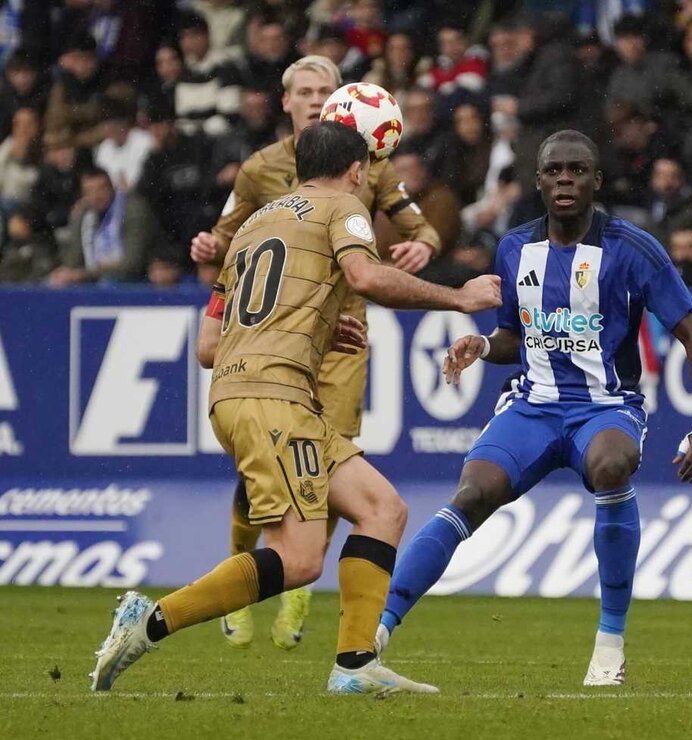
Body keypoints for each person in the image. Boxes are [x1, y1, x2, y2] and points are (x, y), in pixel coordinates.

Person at [89, 121, 501, 695]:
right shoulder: (344, 206)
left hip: (256, 393)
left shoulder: (255, 226)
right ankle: (150, 622)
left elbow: (208, 347)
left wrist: (317, 330)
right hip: (272, 397)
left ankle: (354, 668)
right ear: (357, 169)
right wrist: (459, 297)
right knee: (301, 559)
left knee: (382, 508)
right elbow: (366, 275)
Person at [373, 130, 692, 687]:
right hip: (532, 406)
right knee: (471, 493)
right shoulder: (514, 248)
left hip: (605, 407)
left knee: (612, 466)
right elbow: (516, 335)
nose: (565, 179)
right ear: (537, 181)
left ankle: (609, 646)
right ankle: (378, 630)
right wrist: (485, 345)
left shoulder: (633, 248)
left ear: (596, 181)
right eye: (554, 170)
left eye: (578, 170)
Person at [189, 56, 442, 651]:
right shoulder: (259, 170)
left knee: (333, 462)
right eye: (303, 91)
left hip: (341, 336)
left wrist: (422, 248)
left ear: (340, 103)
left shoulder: (372, 170)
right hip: (274, 338)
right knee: (273, 470)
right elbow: (222, 248)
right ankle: (254, 566)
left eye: (324, 91)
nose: (314, 100)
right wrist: (207, 245)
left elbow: (421, 229)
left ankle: (304, 580)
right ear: (287, 102)